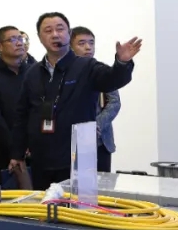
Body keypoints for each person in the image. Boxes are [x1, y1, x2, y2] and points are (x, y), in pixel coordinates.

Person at [9, 13, 141, 190]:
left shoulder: (87, 66)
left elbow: (112, 79)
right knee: (44, 203)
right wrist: (17, 153)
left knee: (80, 204)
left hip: (79, 156)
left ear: (69, 34)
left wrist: (122, 63)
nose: (55, 34)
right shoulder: (33, 73)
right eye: (48, 30)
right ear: (39, 37)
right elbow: (22, 115)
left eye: (60, 29)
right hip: (42, 156)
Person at [0, 26, 31, 187]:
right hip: (1, 149)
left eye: (20, 38)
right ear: (0, 46)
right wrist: (15, 149)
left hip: (30, 149)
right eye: (12, 39)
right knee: (4, 197)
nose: (19, 43)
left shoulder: (31, 71)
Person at [70, 26, 121, 172]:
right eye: (82, 43)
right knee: (73, 182)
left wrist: (95, 126)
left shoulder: (101, 70)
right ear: (70, 47)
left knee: (102, 182)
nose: (88, 47)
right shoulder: (64, 72)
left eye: (91, 43)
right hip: (71, 140)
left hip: (101, 139)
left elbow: (114, 103)